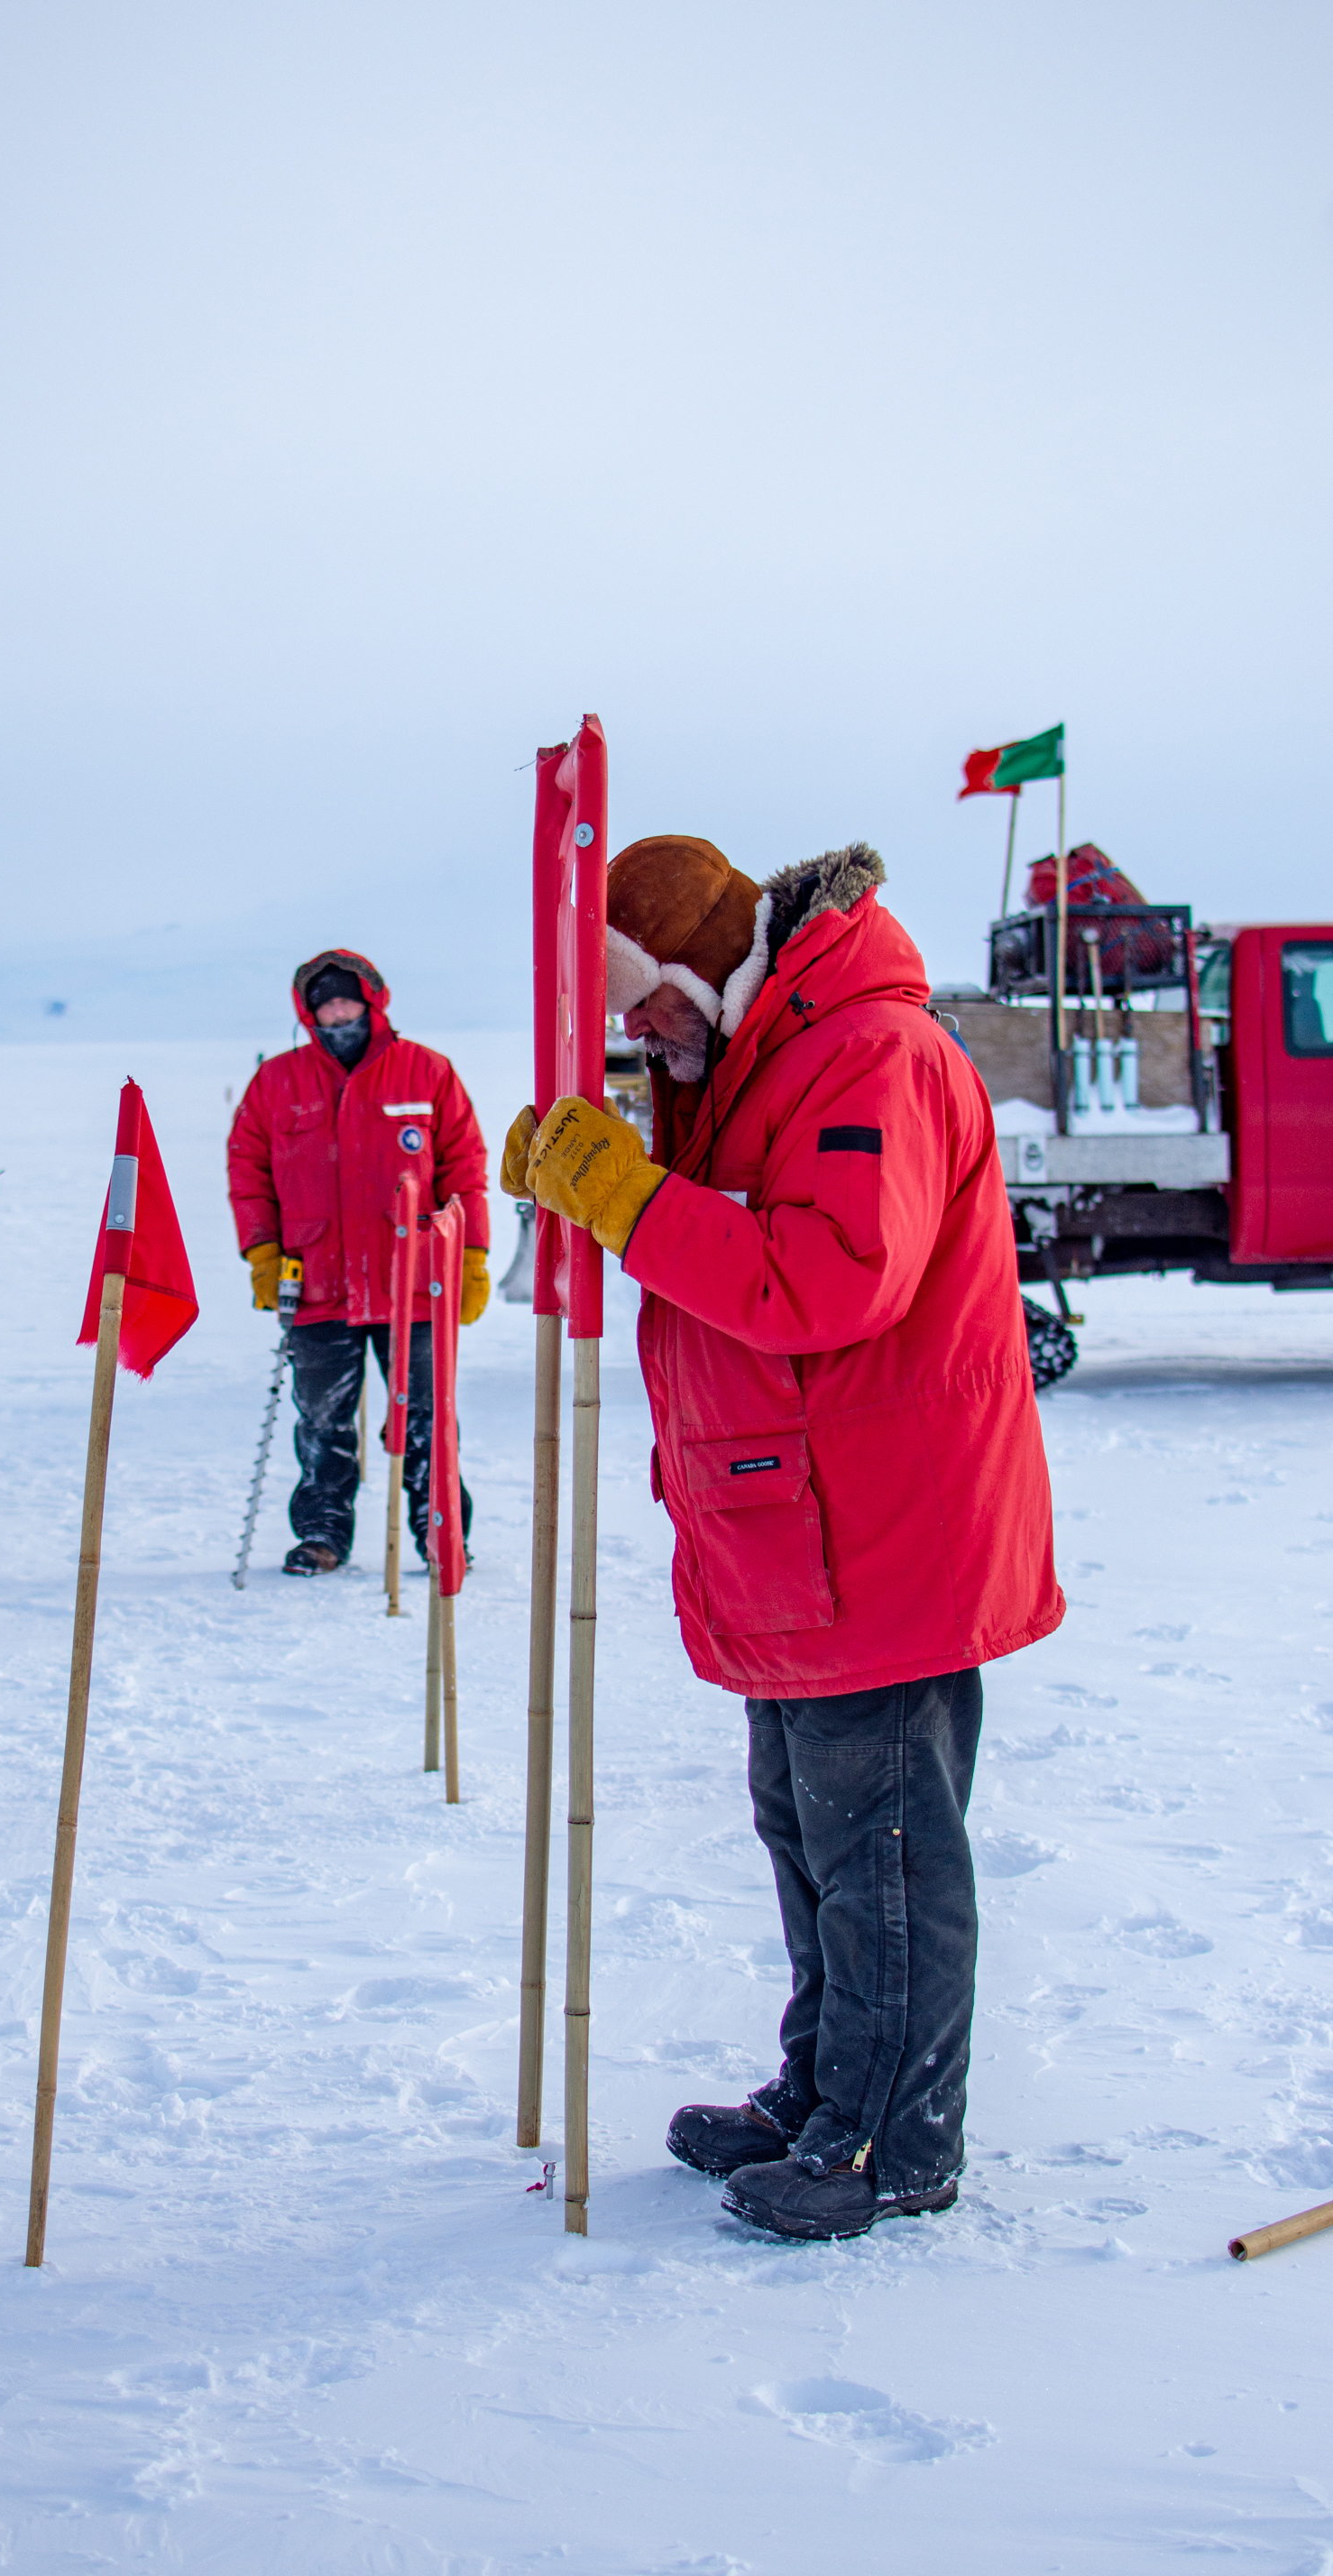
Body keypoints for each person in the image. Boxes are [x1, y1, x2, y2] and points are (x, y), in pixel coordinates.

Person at [505, 835, 1061, 2240]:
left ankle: (891, 2140)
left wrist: (629, 1200)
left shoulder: (872, 1055)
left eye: (643, 1001)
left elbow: (826, 1281)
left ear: (702, 963)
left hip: (884, 1533)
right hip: (798, 1532)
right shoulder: (750, 1064)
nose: (637, 1032)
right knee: (810, 1829)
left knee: (879, 1846)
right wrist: (605, 1179)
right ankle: (826, 2092)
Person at [227, 949, 491, 1577]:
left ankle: (440, 1531)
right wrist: (262, 1250)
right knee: (322, 1421)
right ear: (308, 1012)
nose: (336, 1012)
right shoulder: (277, 1083)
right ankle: (322, 1535)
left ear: (372, 1002)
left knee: (426, 1417)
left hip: (414, 1284)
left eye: (347, 1000)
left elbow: (466, 1170)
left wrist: (472, 1256)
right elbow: (248, 1173)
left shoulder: (428, 1073)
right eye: (325, 1004)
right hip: (316, 1282)